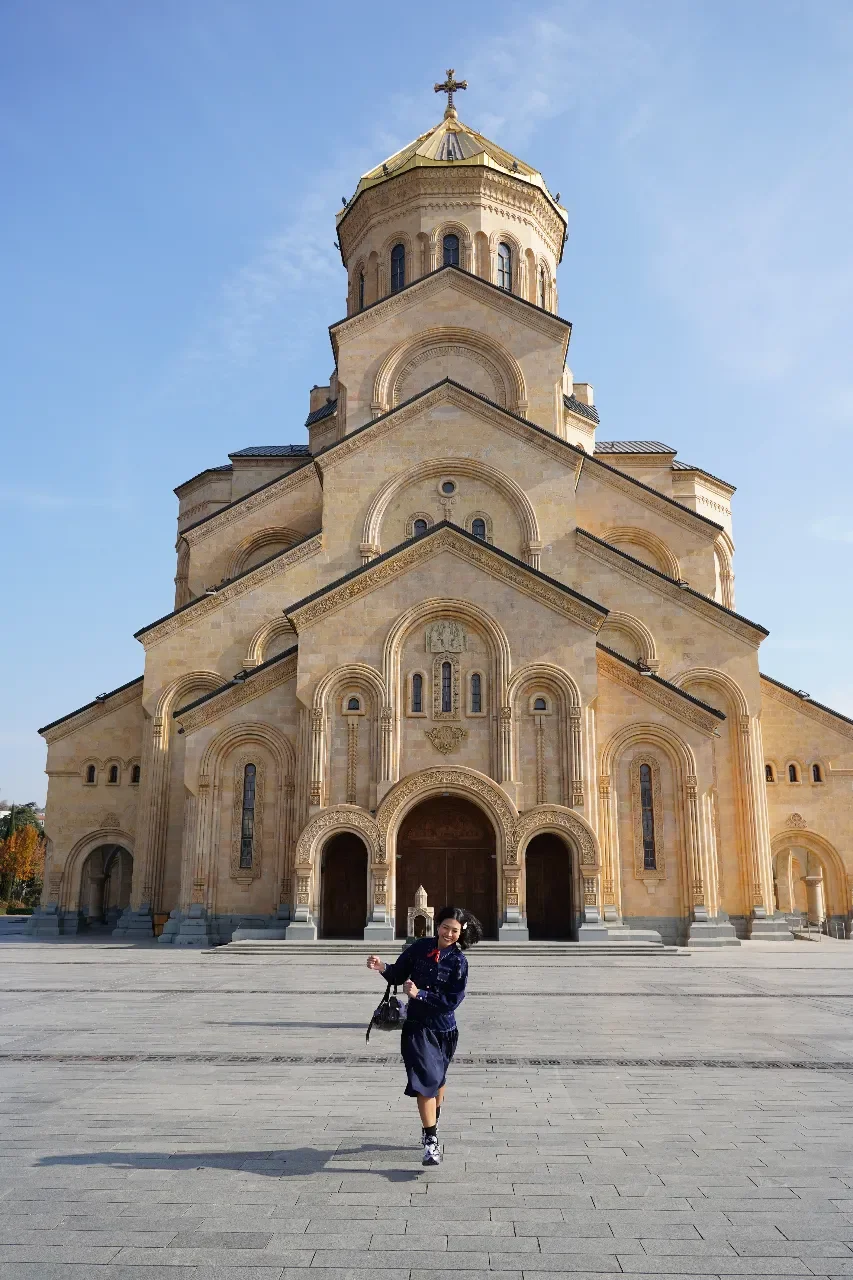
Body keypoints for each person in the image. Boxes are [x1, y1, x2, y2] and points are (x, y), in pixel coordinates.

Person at [367, 905, 482, 1166]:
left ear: (460, 932)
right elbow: (398, 973)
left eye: (454, 930)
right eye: (445, 927)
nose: (448, 934)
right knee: (427, 1080)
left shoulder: (459, 962)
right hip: (417, 1027)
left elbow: (452, 1001)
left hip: (445, 1030)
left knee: (438, 1080)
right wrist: (381, 966)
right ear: (437, 925)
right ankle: (431, 1142)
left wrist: (421, 994)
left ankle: (432, 1122)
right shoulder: (419, 948)